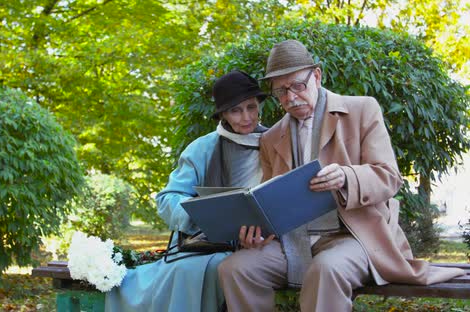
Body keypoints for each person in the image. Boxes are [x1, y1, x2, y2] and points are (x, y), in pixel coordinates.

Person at [217, 39, 465, 312]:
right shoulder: (271, 137)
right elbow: (269, 203)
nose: (290, 97)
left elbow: (389, 177)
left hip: (354, 236)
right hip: (292, 241)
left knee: (326, 269)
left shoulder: (362, 109)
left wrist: (348, 177)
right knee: (235, 268)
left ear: (317, 76)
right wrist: (257, 231)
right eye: (281, 91)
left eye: (297, 86)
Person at [105, 70, 269, 312]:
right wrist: (198, 213)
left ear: (259, 107)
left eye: (251, 107)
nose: (246, 117)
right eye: (236, 110)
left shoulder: (275, 141)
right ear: (223, 114)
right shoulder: (202, 149)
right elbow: (167, 199)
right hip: (208, 245)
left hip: (264, 244)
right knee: (193, 270)